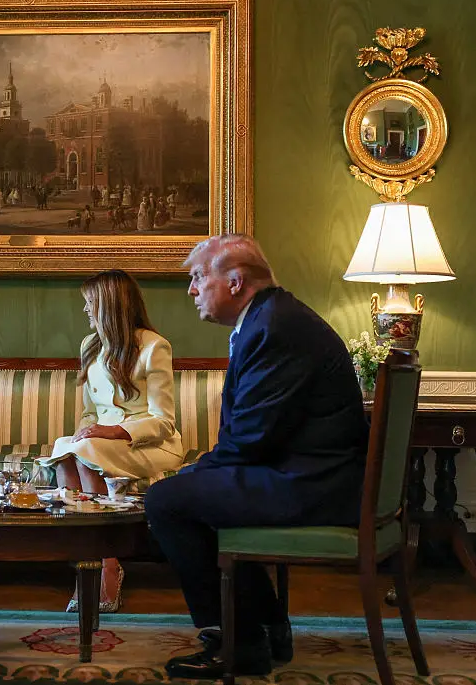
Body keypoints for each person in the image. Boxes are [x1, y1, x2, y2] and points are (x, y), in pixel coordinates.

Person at [144, 234, 369, 679]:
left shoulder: (273, 327)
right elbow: (255, 434)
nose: (191, 290)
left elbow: (249, 439)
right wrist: (201, 473)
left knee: (166, 501)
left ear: (234, 281)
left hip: (313, 485)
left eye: (197, 277)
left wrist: (193, 472)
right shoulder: (271, 318)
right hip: (309, 473)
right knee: (190, 492)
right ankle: (264, 623)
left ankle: (240, 641)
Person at [38, 270, 186, 614]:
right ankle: (90, 561)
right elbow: (90, 414)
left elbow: (164, 422)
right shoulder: (90, 346)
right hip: (101, 445)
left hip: (150, 446)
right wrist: (85, 431)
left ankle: (105, 566)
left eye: (90, 303)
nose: (86, 310)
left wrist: (113, 432)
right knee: (67, 449)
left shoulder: (154, 346)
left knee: (86, 450)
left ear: (110, 305)